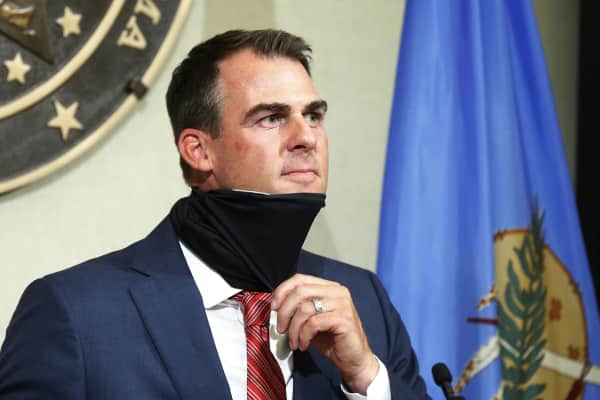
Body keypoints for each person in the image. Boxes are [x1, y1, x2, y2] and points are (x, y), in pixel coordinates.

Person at [0, 29, 430, 399]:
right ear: (199, 150)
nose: (307, 138)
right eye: (272, 118)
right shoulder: (75, 313)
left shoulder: (364, 299)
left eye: (313, 115)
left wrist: (365, 377)